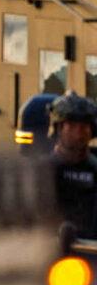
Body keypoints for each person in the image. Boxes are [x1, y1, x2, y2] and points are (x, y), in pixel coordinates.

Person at [48, 91, 97, 239]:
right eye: (72, 126)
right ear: (59, 129)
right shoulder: (44, 171)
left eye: (84, 127)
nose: (78, 133)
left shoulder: (94, 169)